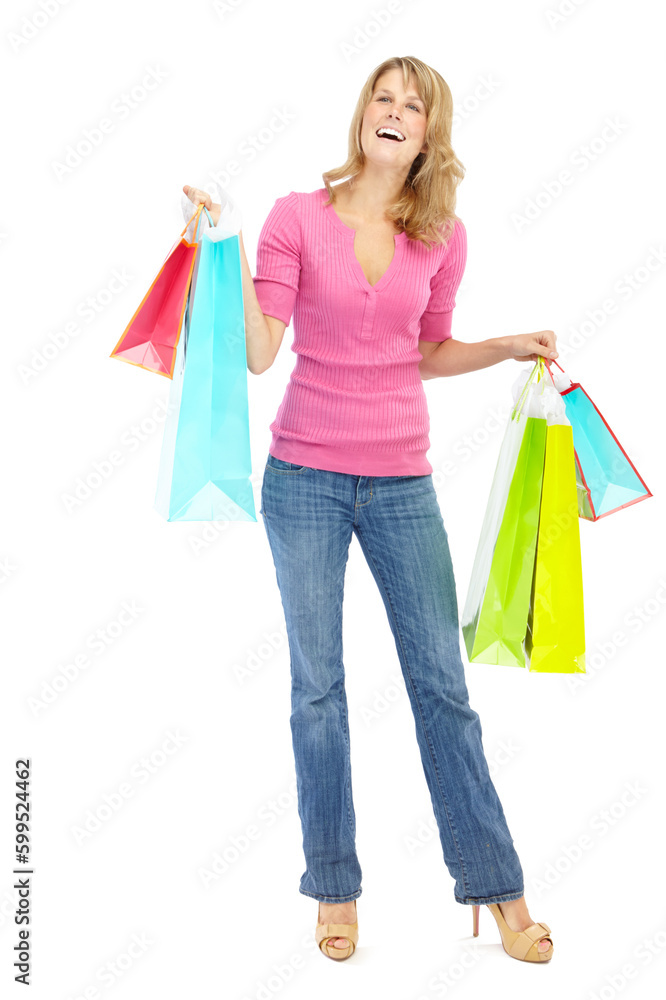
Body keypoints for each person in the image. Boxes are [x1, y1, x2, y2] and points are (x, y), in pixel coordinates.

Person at [183, 55, 556, 964]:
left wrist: (503, 346)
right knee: (319, 693)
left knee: (443, 689)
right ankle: (335, 890)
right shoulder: (296, 218)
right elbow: (262, 353)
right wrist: (212, 254)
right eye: (383, 99)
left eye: (413, 106)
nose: (395, 113)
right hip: (303, 479)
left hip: (402, 486)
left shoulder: (442, 235)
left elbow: (425, 350)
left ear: (430, 133)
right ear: (364, 116)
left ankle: (496, 886)